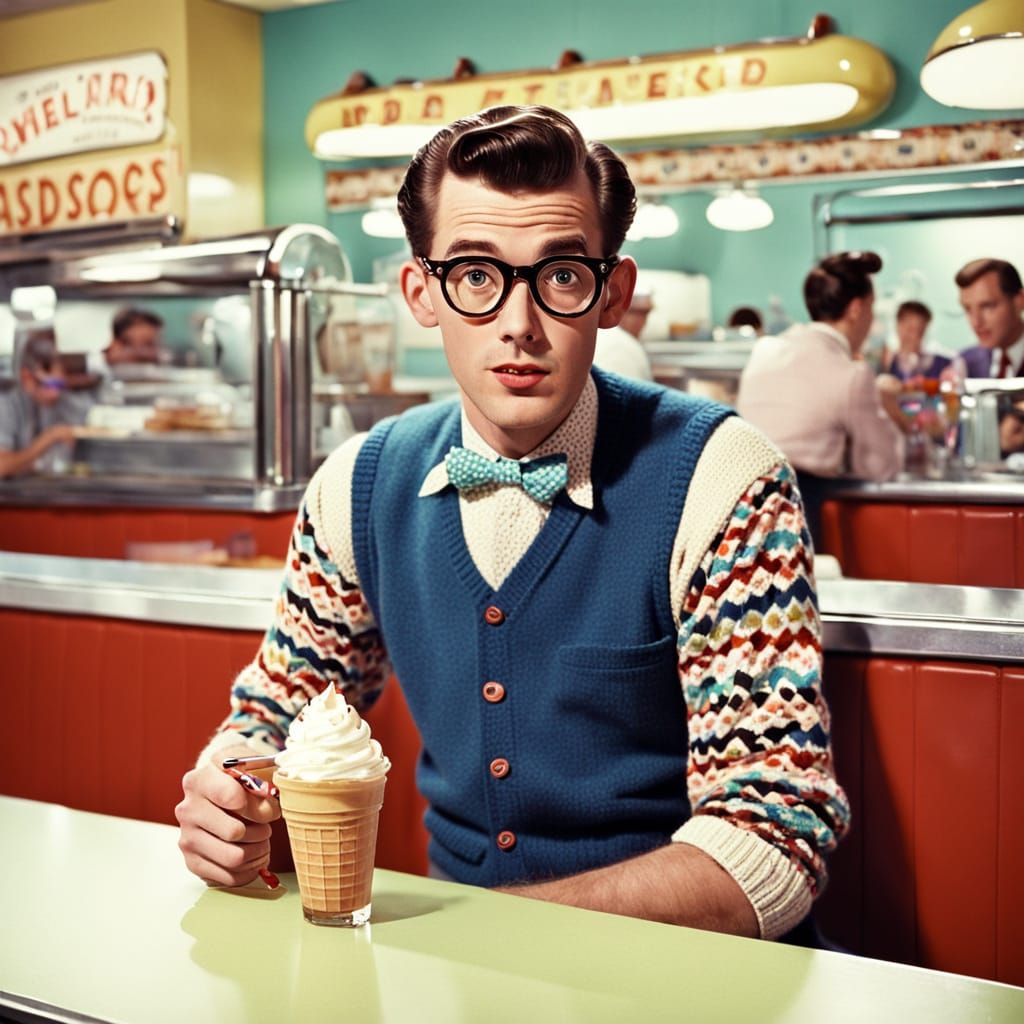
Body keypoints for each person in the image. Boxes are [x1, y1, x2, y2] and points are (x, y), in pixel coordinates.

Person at [176, 105, 850, 943]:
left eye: (561, 275)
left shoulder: (725, 478)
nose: (518, 325)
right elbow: (276, 711)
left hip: (686, 976)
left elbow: (777, 839)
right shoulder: (356, 483)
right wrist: (228, 786)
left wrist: (481, 934)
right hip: (450, 979)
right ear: (422, 292)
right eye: (476, 275)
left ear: (614, 293)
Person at [737, 250, 905, 484]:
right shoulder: (852, 376)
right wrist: (887, 406)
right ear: (856, 309)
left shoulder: (764, 350)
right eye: (871, 307)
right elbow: (882, 468)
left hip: (743, 505)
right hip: (800, 511)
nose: (872, 319)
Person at [0, 332, 92, 479]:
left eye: (60, 385)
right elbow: (2, 467)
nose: (55, 394)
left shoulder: (66, 403)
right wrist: (49, 438)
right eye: (49, 385)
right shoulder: (7, 406)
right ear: (27, 377)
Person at [954, 258, 1024, 379]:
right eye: (968, 309)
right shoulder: (964, 363)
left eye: (987, 306)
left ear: (1019, 301)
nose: (976, 322)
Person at [592, 286, 654, 380]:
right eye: (638, 313)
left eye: (645, 314)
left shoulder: (624, 343)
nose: (642, 322)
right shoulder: (619, 348)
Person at [884, 300, 951, 383]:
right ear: (898, 326)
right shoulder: (886, 361)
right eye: (910, 329)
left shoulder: (941, 363)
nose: (915, 336)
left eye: (920, 331)